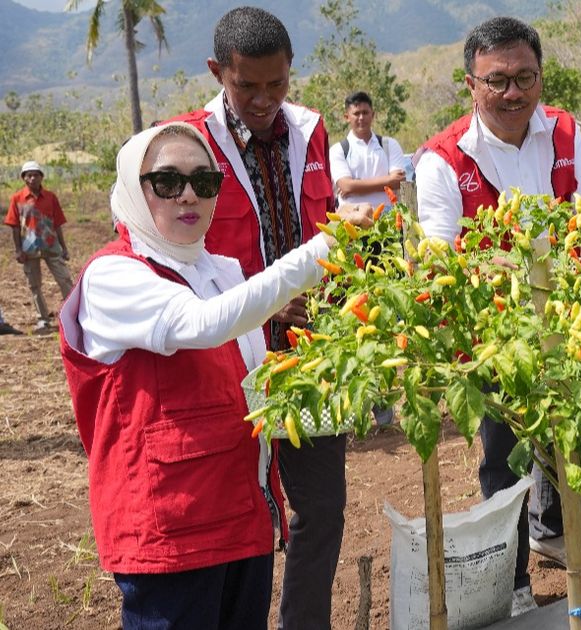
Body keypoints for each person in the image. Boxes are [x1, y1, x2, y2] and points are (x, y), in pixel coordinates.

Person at [58, 122, 373, 630]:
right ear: (133, 192)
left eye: (205, 183)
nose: (189, 195)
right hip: (171, 528)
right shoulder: (114, 275)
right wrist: (323, 247)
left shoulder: (218, 269)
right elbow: (203, 325)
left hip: (240, 514)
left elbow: (247, 375)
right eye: (167, 182)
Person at [413, 15, 581, 615]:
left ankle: (567, 552)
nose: (512, 93)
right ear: (471, 84)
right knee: (502, 455)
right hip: (492, 337)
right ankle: (515, 583)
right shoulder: (442, 160)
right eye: (497, 81)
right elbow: (442, 259)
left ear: (541, 77)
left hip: (567, 323)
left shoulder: (565, 134)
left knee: (567, 446)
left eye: (525, 78)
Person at [164, 7, 344, 628]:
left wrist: (331, 291)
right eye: (248, 86)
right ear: (218, 73)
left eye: (277, 84)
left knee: (321, 512)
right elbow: (162, 256)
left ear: (291, 71)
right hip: (225, 368)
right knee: (233, 521)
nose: (264, 99)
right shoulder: (185, 146)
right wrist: (262, 299)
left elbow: (326, 232)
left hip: (309, 358)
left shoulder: (312, 132)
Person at [7, 160, 72, 335]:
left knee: (65, 280)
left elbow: (58, 223)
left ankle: (73, 315)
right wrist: (18, 250)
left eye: (36, 174)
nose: (32, 178)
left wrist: (64, 247)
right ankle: (43, 319)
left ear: (41, 177)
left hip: (51, 246)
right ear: (23, 178)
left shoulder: (50, 197)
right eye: (28, 175)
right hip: (29, 248)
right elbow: (14, 225)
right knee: (34, 285)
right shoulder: (17, 198)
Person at [329, 91, 410, 208]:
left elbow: (398, 181)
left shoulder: (389, 145)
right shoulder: (338, 150)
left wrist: (355, 187)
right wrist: (389, 181)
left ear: (373, 114)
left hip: (388, 220)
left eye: (365, 112)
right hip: (352, 221)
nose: (361, 117)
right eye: (356, 113)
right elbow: (346, 186)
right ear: (347, 117)